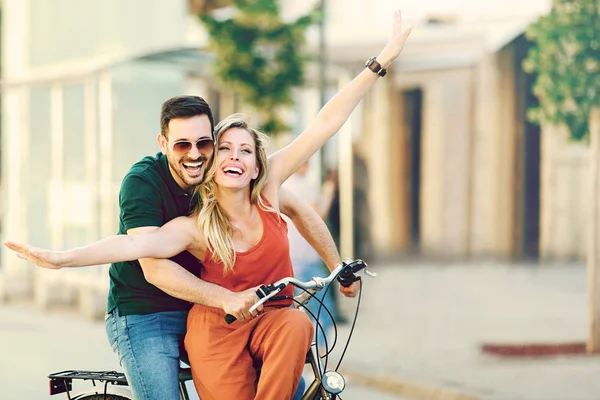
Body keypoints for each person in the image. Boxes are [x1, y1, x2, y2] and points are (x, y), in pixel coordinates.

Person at [6, 9, 411, 399]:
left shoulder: (262, 188)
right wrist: (61, 259)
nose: (200, 155)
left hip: (244, 314)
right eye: (214, 148)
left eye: (211, 145)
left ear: (255, 164)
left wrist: (380, 62)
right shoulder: (173, 204)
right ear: (165, 145)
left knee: (296, 335)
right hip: (150, 312)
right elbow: (139, 250)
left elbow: (325, 124)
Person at [282, 159, 338, 351]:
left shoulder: (282, 186)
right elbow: (318, 216)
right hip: (307, 261)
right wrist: (330, 189)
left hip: (288, 261)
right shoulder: (307, 186)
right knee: (324, 309)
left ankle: (298, 352)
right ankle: (320, 354)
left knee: (291, 312)